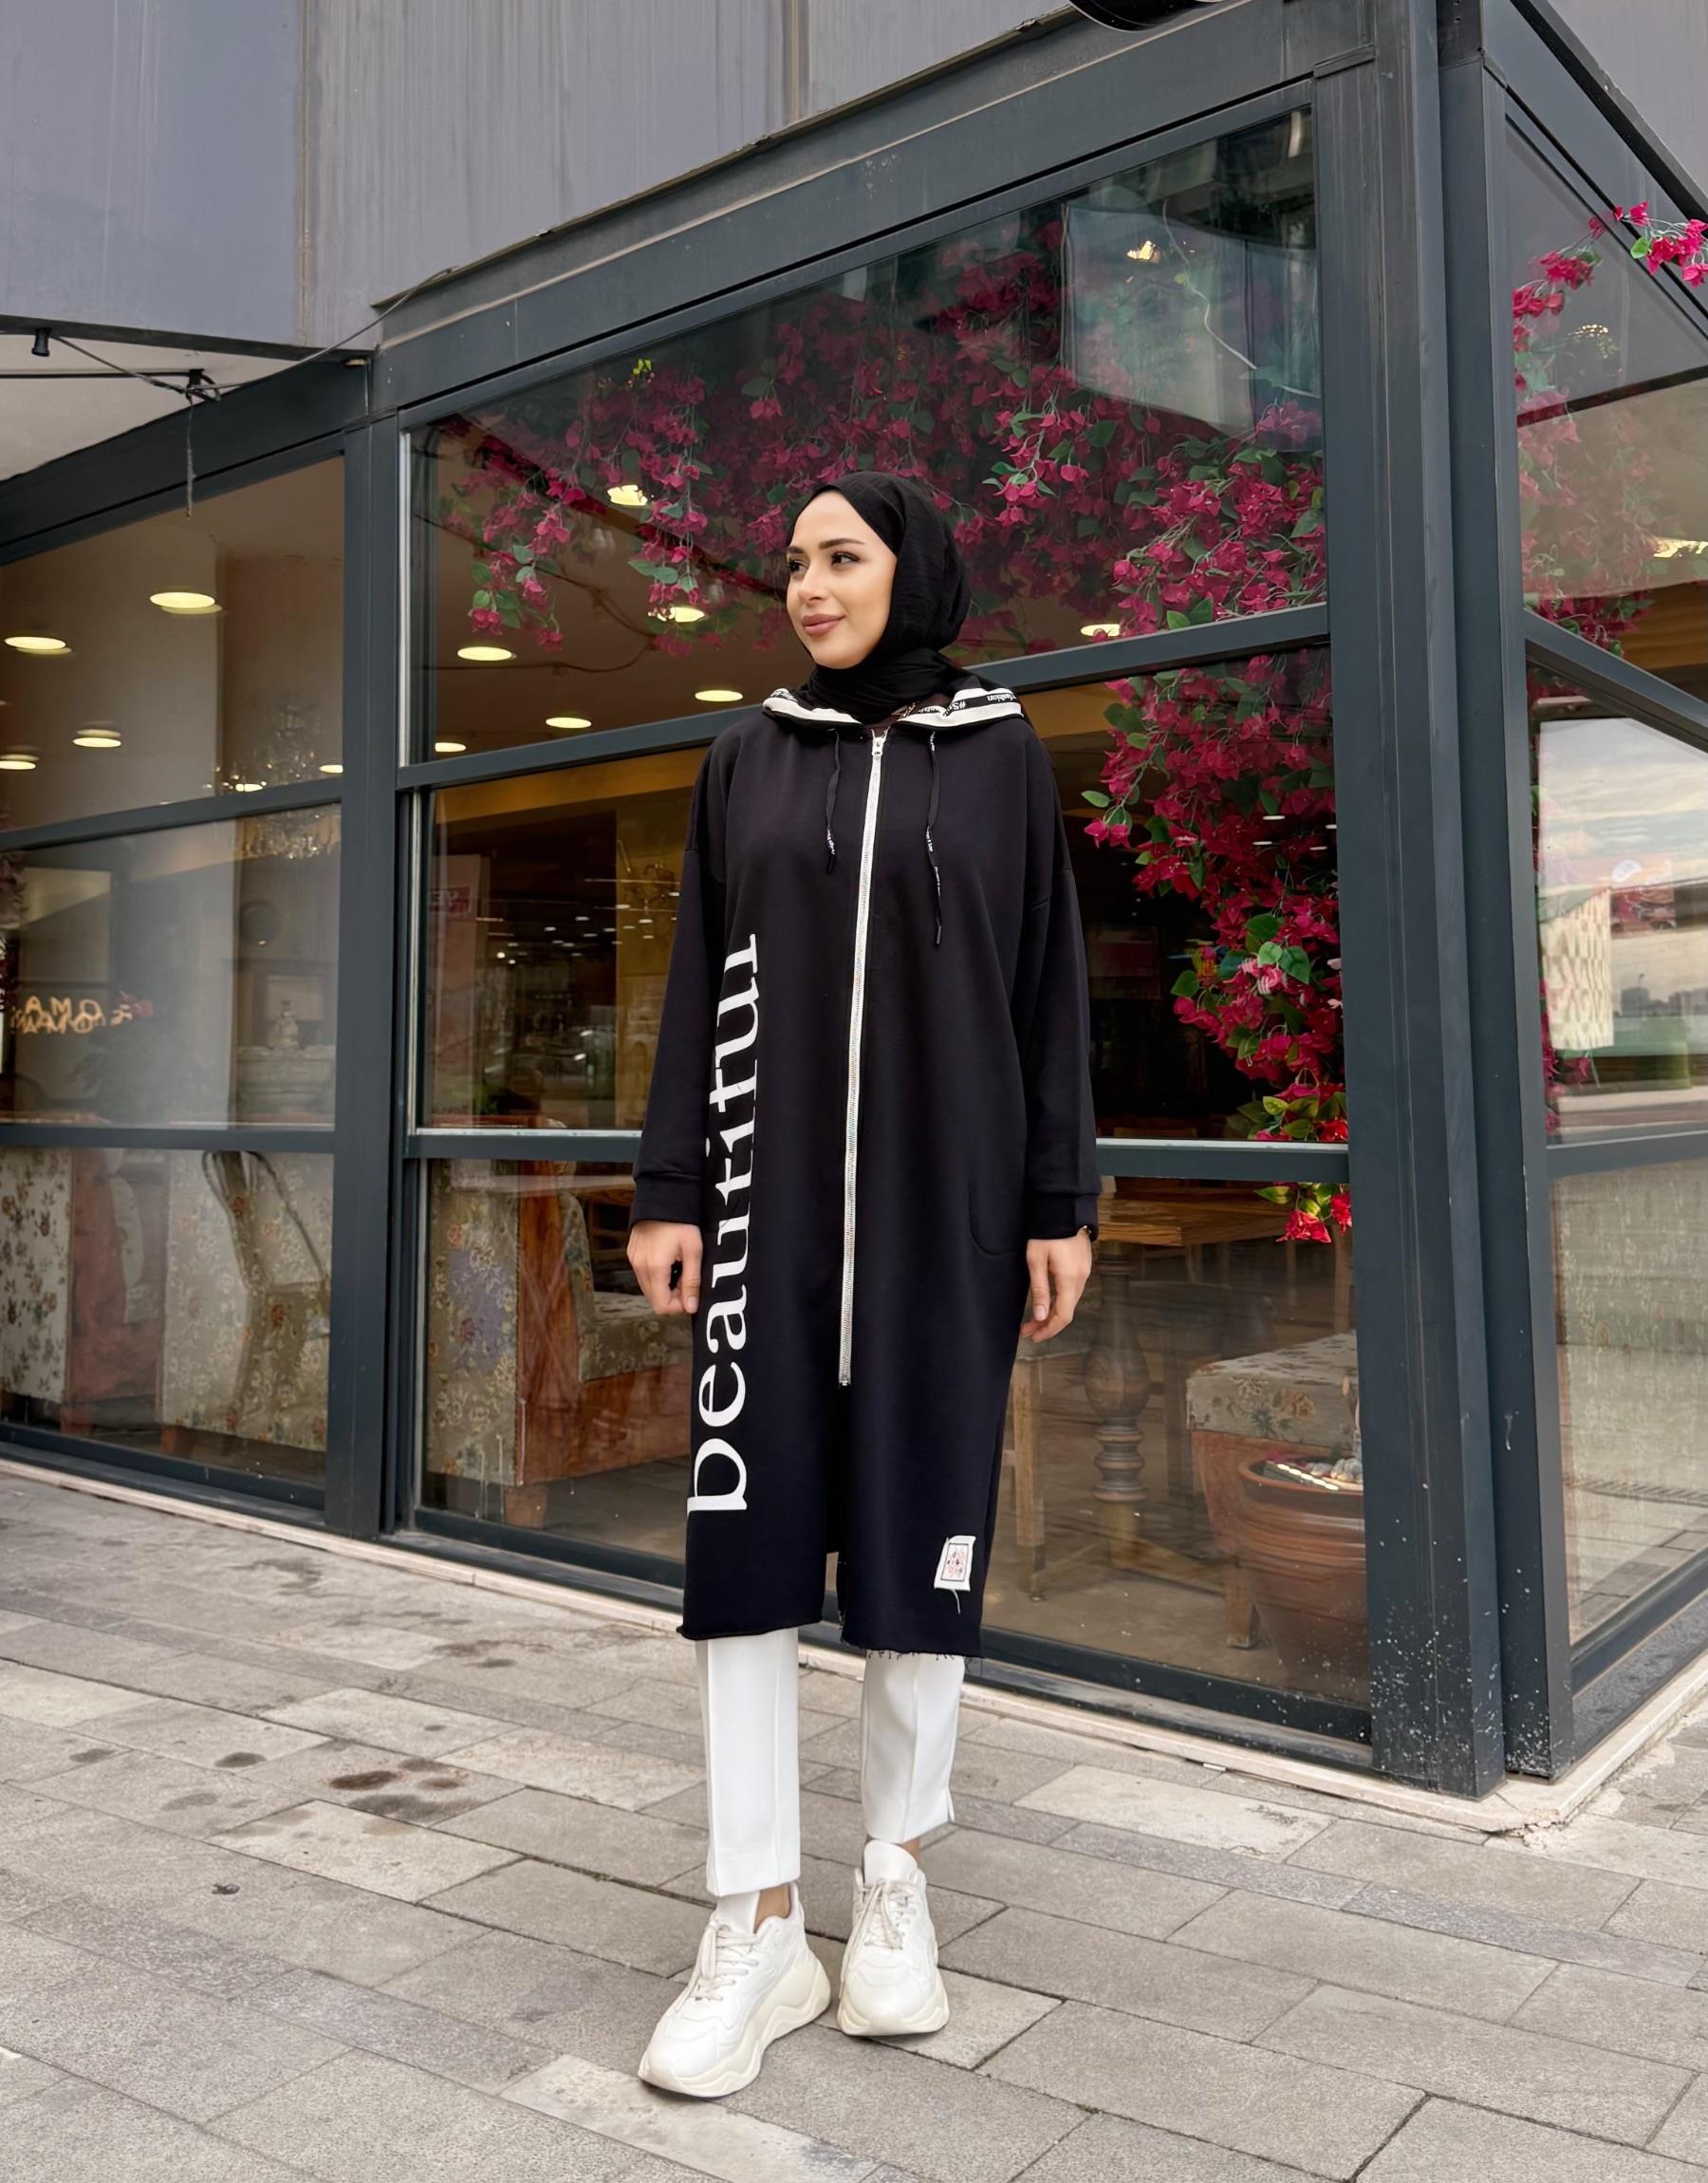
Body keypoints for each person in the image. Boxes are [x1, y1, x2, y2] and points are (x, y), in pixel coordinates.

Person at [626, 470, 1101, 2099]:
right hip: (762, 1220)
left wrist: (1058, 1200)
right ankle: (758, 1918)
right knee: (744, 1547)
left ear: (916, 570)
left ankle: (894, 1878)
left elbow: (1047, 989)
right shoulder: (747, 755)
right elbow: (698, 976)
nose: (810, 586)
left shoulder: (1002, 754)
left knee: (923, 1539)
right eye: (794, 563)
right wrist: (671, 1186)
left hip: (940, 1217)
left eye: (842, 557)